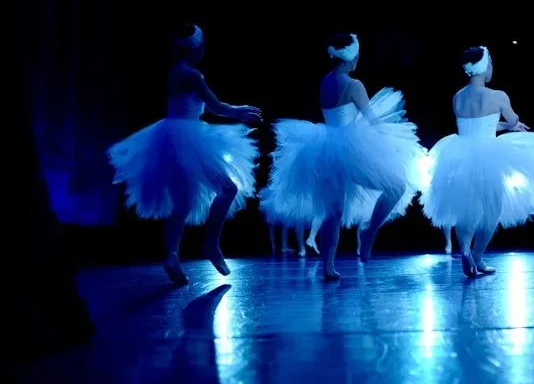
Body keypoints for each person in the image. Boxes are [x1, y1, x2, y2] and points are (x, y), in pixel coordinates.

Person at [107, 24, 261, 285]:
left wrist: (236, 110)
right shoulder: (193, 76)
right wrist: (242, 111)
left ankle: (171, 255)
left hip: (169, 137)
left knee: (183, 204)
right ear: (198, 48)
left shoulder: (174, 72)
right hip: (188, 137)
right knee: (227, 189)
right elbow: (216, 106)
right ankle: (211, 243)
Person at [260, 33, 423, 280]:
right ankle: (369, 232)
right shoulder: (353, 85)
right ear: (352, 56)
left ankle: (328, 266)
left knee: (333, 212)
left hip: (325, 146)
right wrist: (392, 141)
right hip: (349, 147)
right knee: (397, 186)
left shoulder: (326, 81)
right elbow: (372, 119)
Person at [420, 45, 534, 277]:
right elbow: (510, 119)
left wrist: (503, 125)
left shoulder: (458, 97)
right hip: (489, 156)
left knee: (464, 208)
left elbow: (477, 125)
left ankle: (466, 252)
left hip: (460, 154)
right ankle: (477, 255)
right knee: (492, 210)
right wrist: (511, 124)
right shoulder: (498, 96)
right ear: (485, 67)